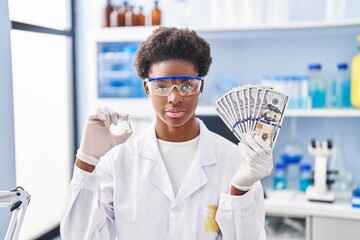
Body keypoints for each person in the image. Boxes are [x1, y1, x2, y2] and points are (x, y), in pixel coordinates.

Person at [60, 27, 273, 239]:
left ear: (201, 87)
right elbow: (79, 236)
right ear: (146, 88)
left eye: (186, 86)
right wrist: (86, 162)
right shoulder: (117, 161)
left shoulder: (234, 160)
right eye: (161, 87)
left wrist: (239, 191)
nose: (174, 98)